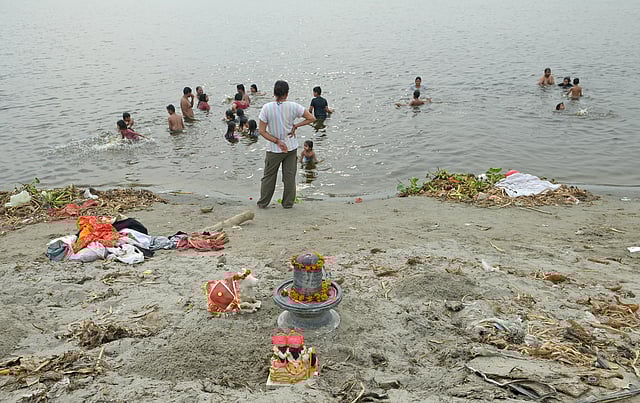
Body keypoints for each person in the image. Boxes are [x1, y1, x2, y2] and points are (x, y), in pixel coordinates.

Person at [257, 80, 316, 209]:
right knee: (289, 177)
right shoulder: (293, 106)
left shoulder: (267, 108)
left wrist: (277, 141)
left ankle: (263, 203)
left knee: (268, 177)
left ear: (274, 93)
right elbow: (312, 118)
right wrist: (296, 125)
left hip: (274, 148)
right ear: (287, 93)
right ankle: (288, 204)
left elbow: (262, 131)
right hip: (291, 147)